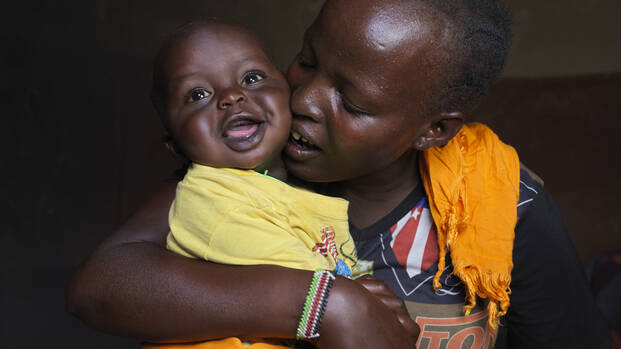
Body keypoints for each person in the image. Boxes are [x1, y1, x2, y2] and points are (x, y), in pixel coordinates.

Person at [66, 0, 611, 348]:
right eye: (306, 59)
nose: (301, 99)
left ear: (433, 130)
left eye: (349, 102)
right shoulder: (248, 174)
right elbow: (100, 286)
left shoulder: (502, 207)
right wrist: (323, 304)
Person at [144, 20, 358, 349]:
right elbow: (317, 287)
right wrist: (361, 295)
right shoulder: (209, 198)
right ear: (176, 145)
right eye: (198, 94)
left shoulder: (297, 186)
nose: (232, 96)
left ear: (288, 91)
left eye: (252, 78)